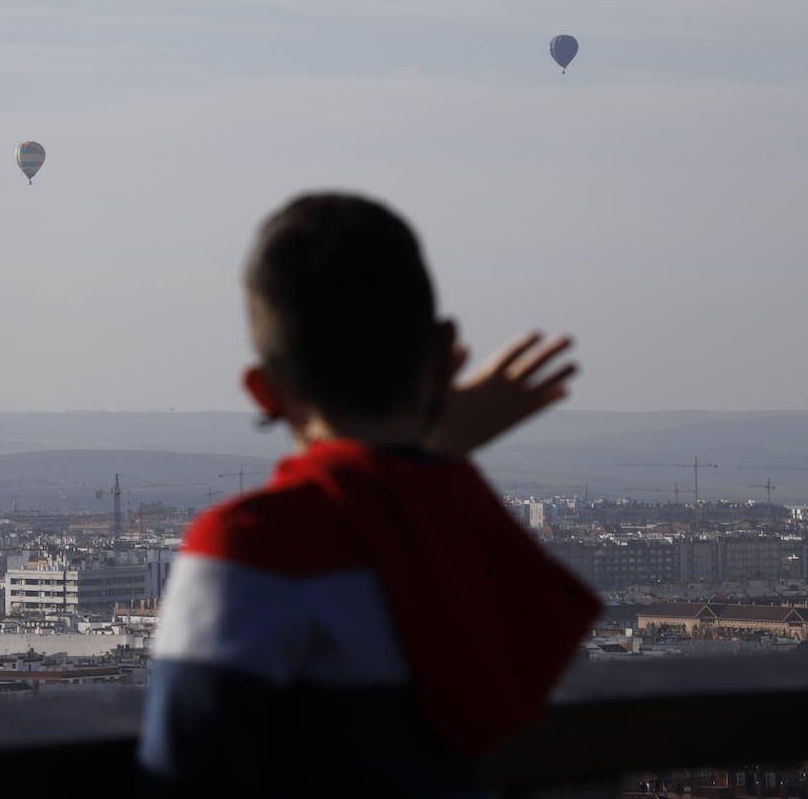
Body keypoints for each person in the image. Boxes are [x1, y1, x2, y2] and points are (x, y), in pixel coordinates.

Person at [138, 192, 601, 797]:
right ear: (443, 358)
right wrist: (437, 451)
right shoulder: (464, 524)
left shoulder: (253, 542)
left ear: (263, 391)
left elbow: (185, 772)